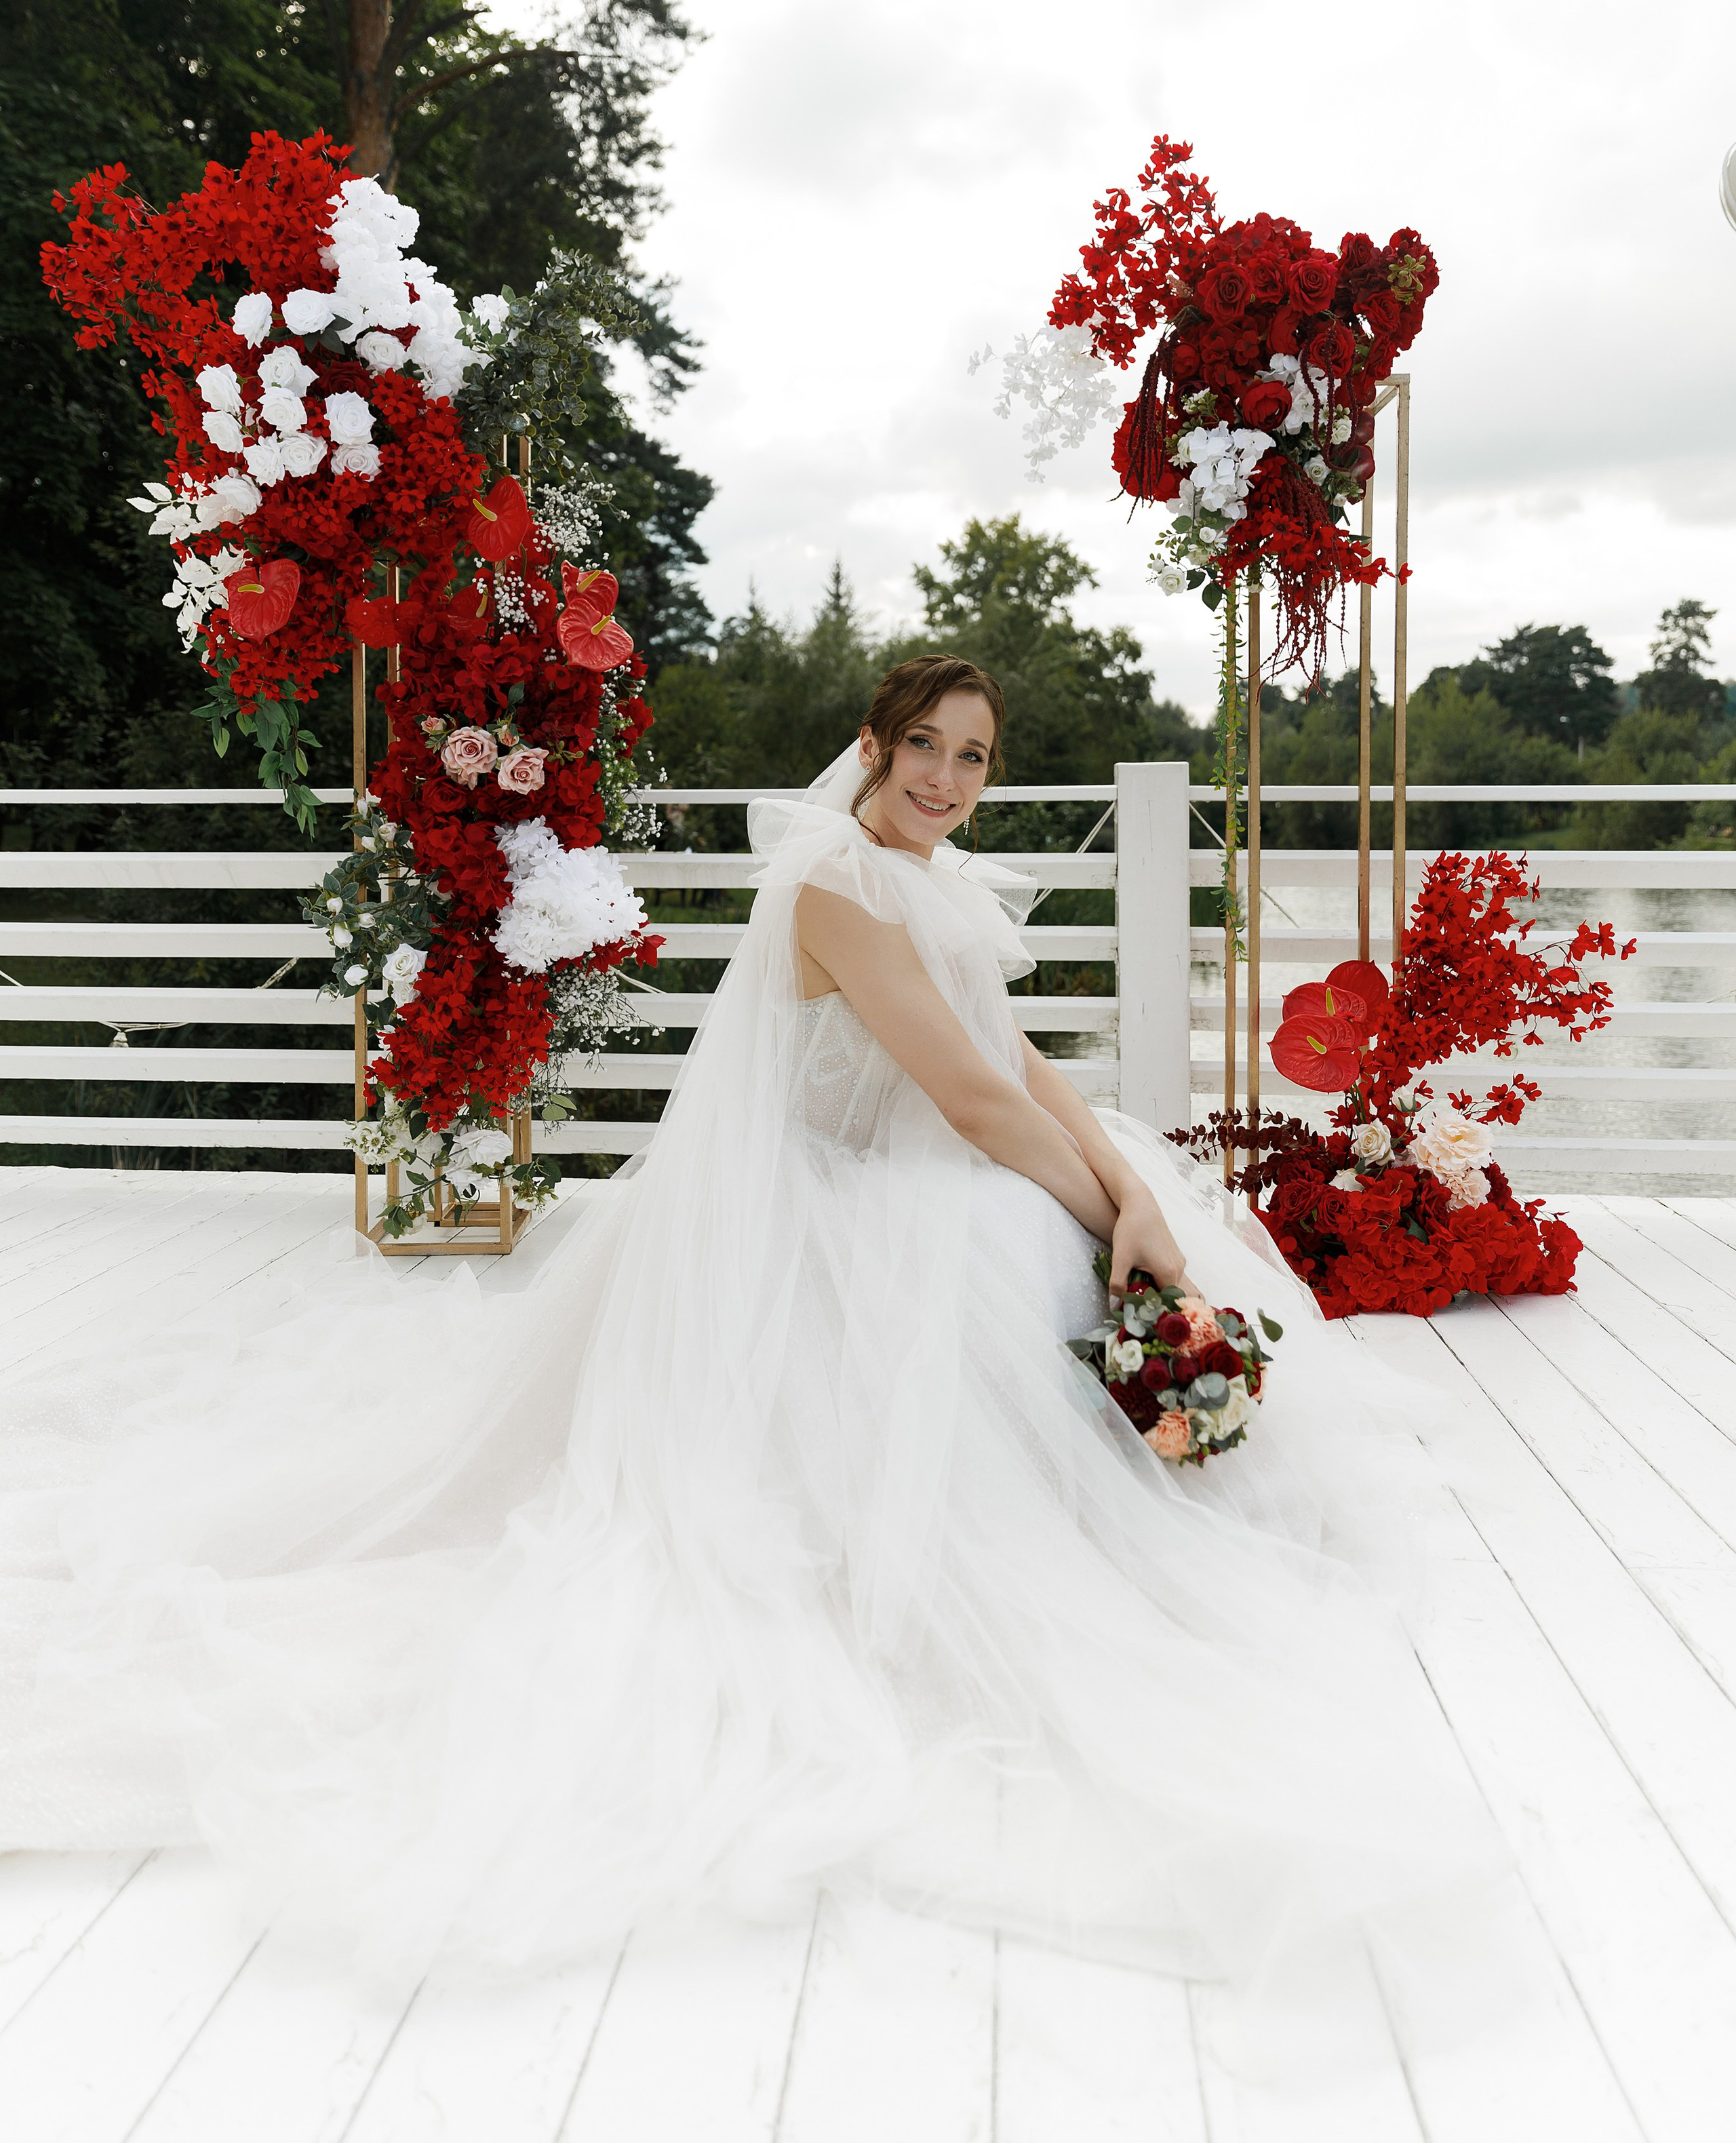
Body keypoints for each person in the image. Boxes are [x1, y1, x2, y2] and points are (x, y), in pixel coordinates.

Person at [0, 653, 1526, 2094]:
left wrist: (1125, 1182)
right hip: (836, 1203)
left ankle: (1145, 1470)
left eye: (971, 758)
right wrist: (1107, 1210)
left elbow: (1019, 1060)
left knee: (1096, 1208)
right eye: (921, 745)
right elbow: (965, 1100)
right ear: (869, 746)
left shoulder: (933, 873)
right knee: (1019, 1246)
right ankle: (1045, 1516)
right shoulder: (831, 886)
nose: (942, 776)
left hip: (948, 1155)